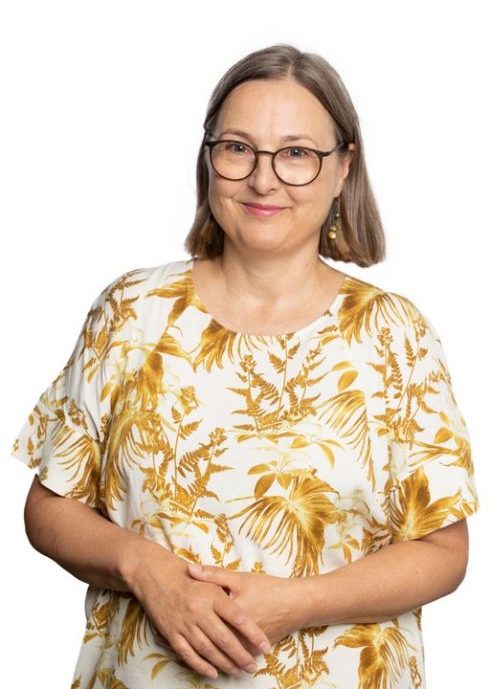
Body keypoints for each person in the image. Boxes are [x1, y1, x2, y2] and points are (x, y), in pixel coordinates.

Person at [11, 43, 479, 689]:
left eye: (296, 153)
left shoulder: (395, 334)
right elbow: (50, 507)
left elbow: (442, 553)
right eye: (238, 148)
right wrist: (147, 569)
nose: (264, 179)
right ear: (208, 160)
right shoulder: (131, 312)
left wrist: (298, 601)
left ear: (344, 167)